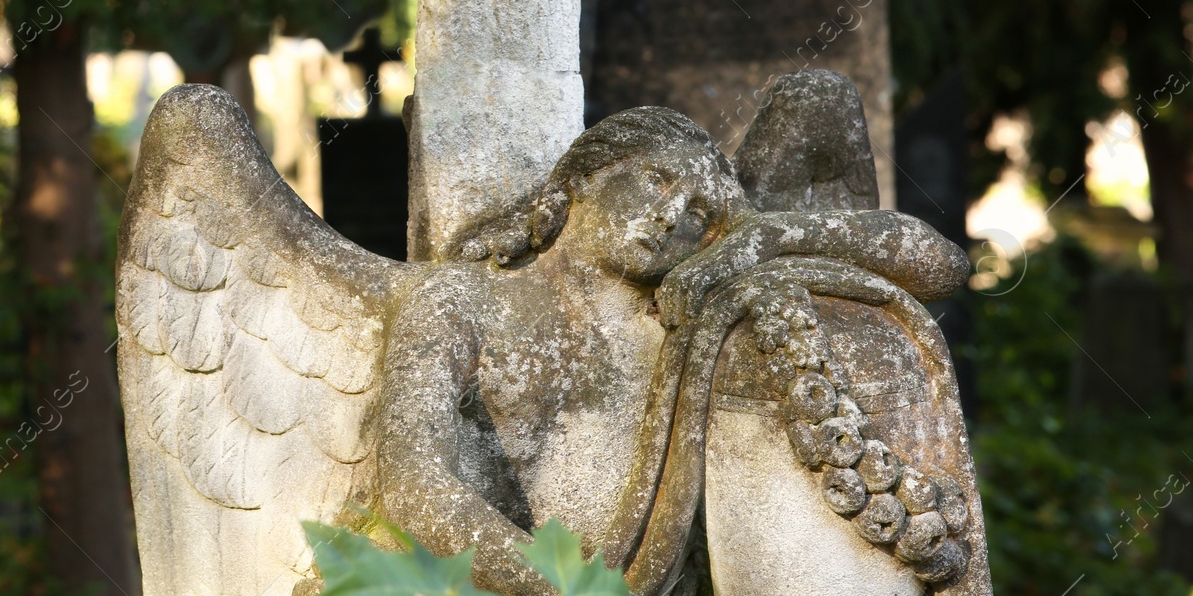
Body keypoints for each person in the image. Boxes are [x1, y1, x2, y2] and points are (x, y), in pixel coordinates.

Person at [368, 106, 968, 595]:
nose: (670, 215)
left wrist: (762, 234)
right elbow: (414, 482)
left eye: (700, 215)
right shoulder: (459, 301)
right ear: (584, 178)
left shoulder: (687, 330)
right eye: (657, 181)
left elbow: (940, 263)